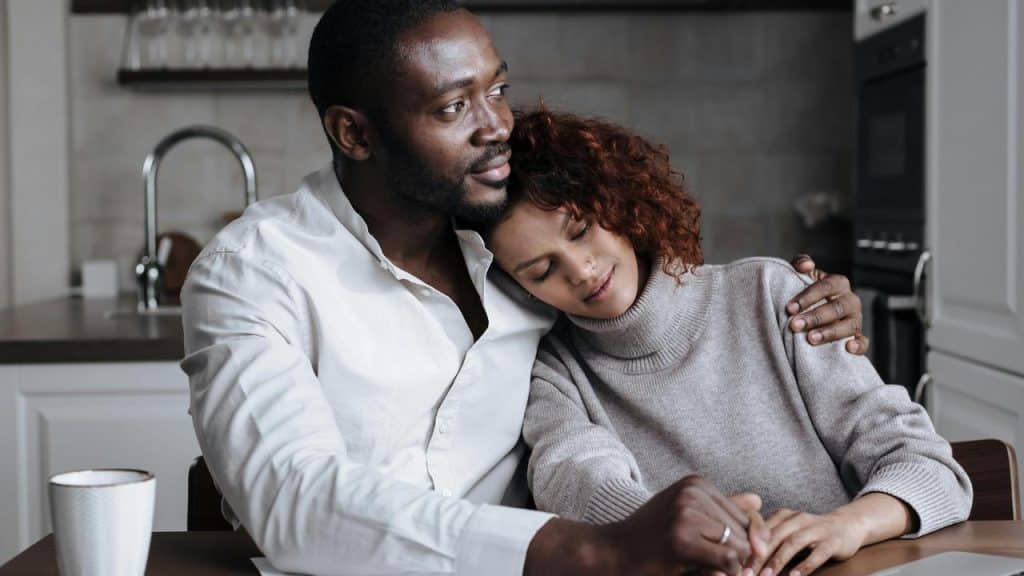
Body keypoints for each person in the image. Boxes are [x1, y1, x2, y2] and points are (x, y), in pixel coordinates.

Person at [180, 1, 870, 574]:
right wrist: (591, 547)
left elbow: (669, 321)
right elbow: (290, 497)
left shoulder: (517, 247)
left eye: (499, 90)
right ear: (353, 133)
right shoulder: (252, 272)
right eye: (454, 108)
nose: (497, 126)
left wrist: (801, 309)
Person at [483, 108, 972, 576]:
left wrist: (847, 525)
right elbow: (575, 480)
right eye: (543, 270)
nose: (582, 270)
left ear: (614, 200)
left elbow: (927, 465)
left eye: (581, 231)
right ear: (518, 288)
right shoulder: (554, 370)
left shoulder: (771, 295)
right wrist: (675, 537)